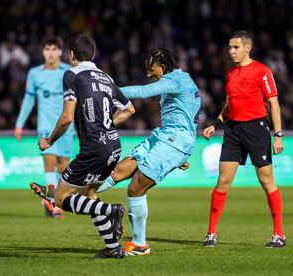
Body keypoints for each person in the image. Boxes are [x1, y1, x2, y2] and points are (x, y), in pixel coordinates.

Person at [30, 34, 135, 258]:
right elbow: (129, 109)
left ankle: (111, 210)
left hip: (94, 148)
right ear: (93, 54)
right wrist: (107, 124)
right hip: (113, 146)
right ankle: (113, 248)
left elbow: (67, 117)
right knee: (89, 194)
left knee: (60, 198)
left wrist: (49, 141)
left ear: (71, 55)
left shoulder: (71, 74)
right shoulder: (106, 77)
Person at [96, 48, 201, 256]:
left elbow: (143, 92)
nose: (148, 74)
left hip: (174, 140)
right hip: (164, 137)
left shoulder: (176, 80)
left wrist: (105, 90)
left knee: (135, 188)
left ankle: (140, 245)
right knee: (118, 172)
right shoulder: (180, 80)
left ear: (162, 67)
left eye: (150, 69)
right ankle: (71, 195)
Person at [202, 30, 285, 248]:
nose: (231, 51)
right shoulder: (230, 73)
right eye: (230, 47)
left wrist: (278, 135)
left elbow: (274, 104)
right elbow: (229, 107)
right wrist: (216, 124)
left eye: (236, 47)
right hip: (232, 131)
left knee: (267, 181)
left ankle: (279, 235)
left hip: (256, 129)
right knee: (223, 182)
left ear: (248, 48)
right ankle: (211, 234)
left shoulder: (262, 71)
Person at [14, 37, 73, 219]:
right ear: (43, 52)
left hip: (66, 125)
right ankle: (51, 205)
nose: (50, 52)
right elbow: (29, 98)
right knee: (49, 161)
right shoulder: (35, 73)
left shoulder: (69, 72)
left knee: (63, 166)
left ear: (60, 52)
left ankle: (58, 199)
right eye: (47, 48)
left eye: (54, 49)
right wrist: (19, 124)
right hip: (45, 126)